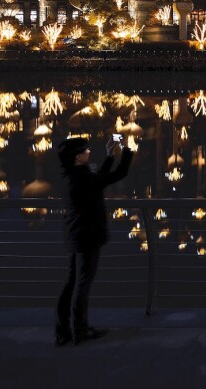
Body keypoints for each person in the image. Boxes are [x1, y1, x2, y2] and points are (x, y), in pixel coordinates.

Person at [55, 134, 135, 346]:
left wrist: (110, 155)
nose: (90, 152)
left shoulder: (71, 175)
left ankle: (63, 331)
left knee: (71, 282)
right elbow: (119, 173)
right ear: (78, 157)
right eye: (86, 151)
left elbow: (98, 180)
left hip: (74, 233)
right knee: (83, 283)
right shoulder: (83, 178)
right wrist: (128, 148)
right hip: (88, 235)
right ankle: (80, 330)